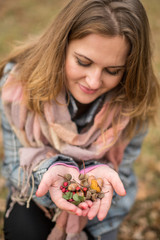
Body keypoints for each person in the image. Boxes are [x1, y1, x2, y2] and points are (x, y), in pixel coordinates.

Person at [0, 0, 159, 239]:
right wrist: (52, 172)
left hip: (97, 211)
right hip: (34, 192)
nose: (94, 82)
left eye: (113, 71)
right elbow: (14, 166)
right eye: (83, 62)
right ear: (60, 46)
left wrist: (99, 181)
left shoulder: (132, 102)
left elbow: (122, 174)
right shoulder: (17, 88)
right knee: (25, 230)